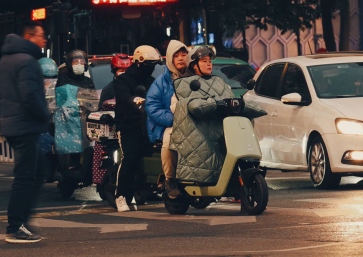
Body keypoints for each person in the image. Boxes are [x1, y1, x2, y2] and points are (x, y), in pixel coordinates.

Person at [170, 46, 266, 186]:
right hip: (199, 130)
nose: (209, 63)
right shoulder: (185, 84)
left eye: (209, 60)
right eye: (204, 61)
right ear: (194, 65)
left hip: (221, 128)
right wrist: (212, 103)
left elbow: (230, 98)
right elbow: (183, 106)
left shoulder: (219, 83)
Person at [0, 20, 51, 243]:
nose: (44, 40)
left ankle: (22, 221)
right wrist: (45, 115)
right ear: (29, 37)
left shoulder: (7, 58)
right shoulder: (27, 61)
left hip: (14, 124)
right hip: (25, 125)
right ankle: (15, 226)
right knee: (25, 177)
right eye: (41, 36)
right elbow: (30, 96)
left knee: (38, 171)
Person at [114, 45, 160, 212]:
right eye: (149, 65)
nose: (151, 69)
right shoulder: (123, 80)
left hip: (149, 126)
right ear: (139, 63)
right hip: (129, 126)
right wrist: (138, 102)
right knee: (130, 157)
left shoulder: (151, 81)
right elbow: (127, 98)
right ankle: (121, 196)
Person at [145, 40, 191, 199]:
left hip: (192, 123)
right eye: (176, 55)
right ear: (170, 59)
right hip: (165, 124)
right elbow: (152, 107)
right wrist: (174, 119)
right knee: (169, 140)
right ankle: (170, 179)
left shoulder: (194, 77)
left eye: (183, 55)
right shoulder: (161, 82)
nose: (180, 58)